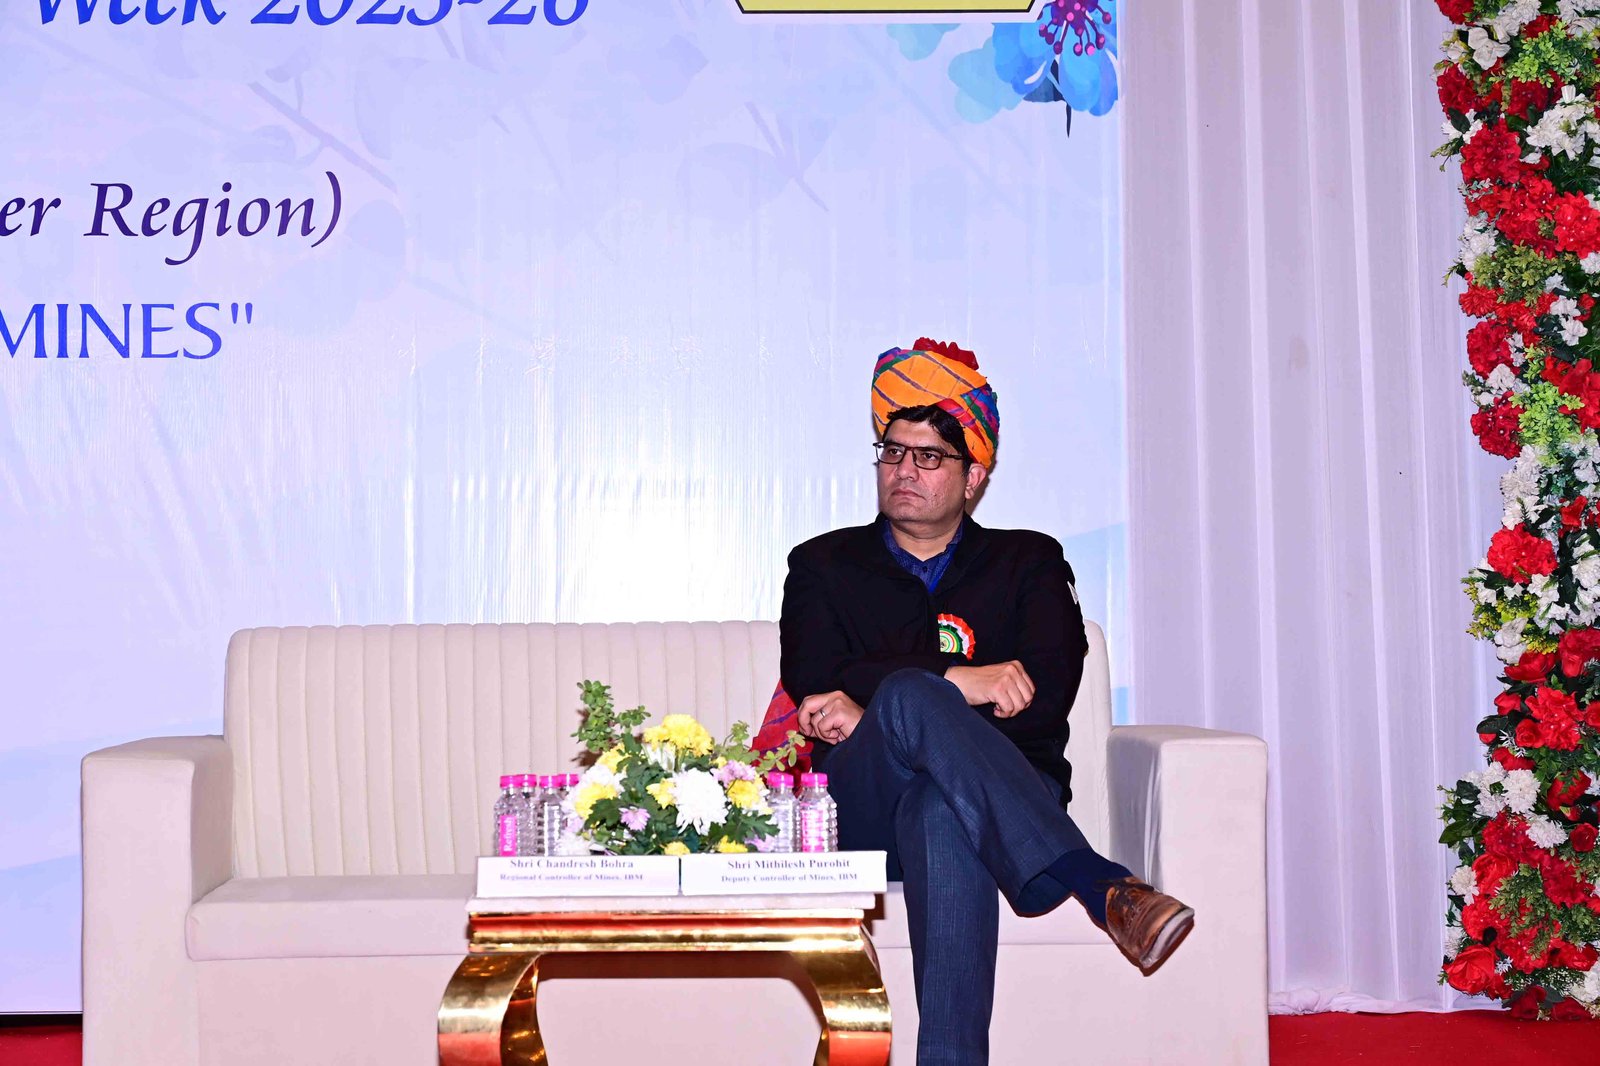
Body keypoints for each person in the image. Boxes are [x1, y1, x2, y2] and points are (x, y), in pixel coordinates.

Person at [773, 338, 1195, 1066]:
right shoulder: (823, 564)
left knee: (940, 805)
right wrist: (958, 681)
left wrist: (880, 704)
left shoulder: (1029, 561)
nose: (904, 471)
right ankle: (1099, 884)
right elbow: (816, 678)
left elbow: (1044, 700)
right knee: (912, 695)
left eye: (929, 457)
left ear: (974, 478)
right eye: (892, 452)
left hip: (1001, 794)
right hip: (864, 804)